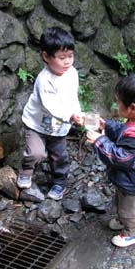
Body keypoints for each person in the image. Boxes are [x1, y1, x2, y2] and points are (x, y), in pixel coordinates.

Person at [86, 73, 135, 247]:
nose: (117, 104)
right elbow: (123, 130)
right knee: (122, 201)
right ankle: (123, 220)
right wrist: (107, 126)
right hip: (133, 176)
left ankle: (133, 232)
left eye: (118, 101)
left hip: (134, 180)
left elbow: (121, 158)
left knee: (129, 208)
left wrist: (100, 141)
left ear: (132, 108)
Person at [17, 27, 84, 200]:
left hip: (59, 126)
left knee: (59, 155)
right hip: (36, 123)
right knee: (35, 152)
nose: (68, 61)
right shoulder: (44, 80)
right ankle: (26, 171)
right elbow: (50, 106)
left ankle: (59, 182)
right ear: (46, 57)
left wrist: (77, 112)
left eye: (70, 56)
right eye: (62, 58)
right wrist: (70, 116)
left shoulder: (72, 74)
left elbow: (72, 97)